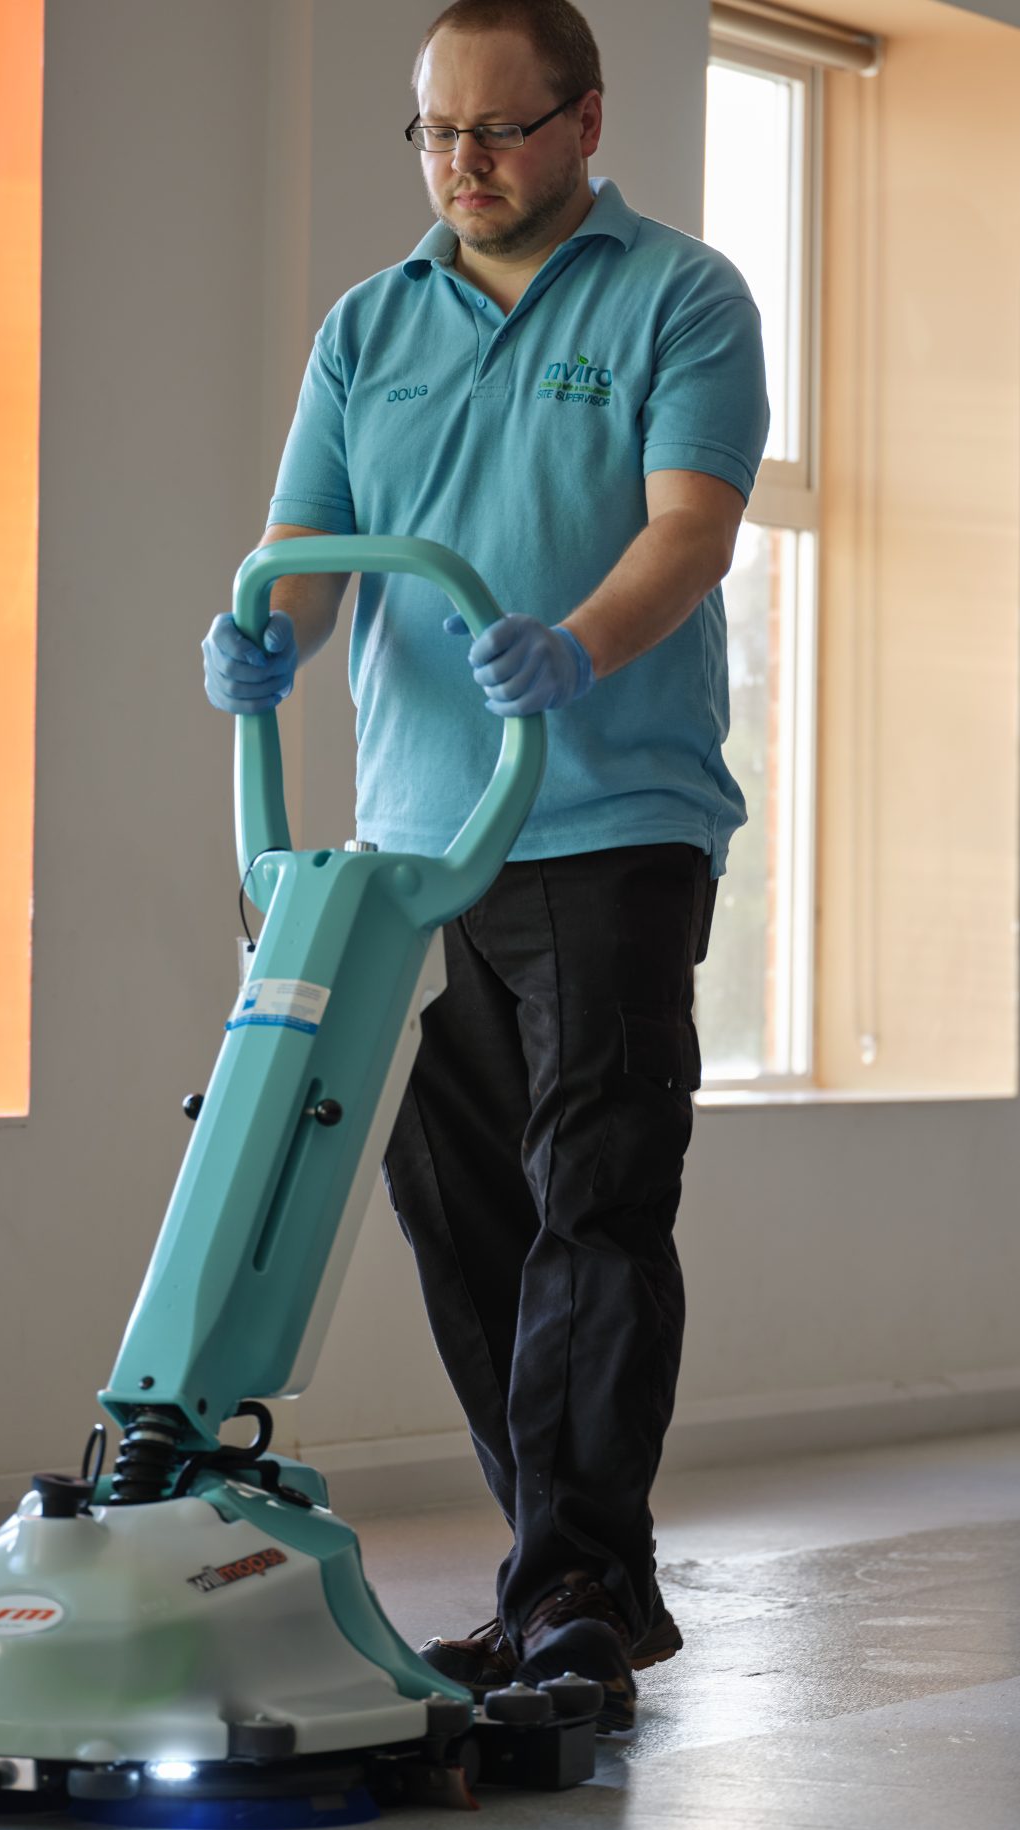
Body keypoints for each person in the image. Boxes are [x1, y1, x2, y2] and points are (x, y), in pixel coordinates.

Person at [198, 0, 766, 1731]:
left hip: (609, 823)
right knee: (459, 1191)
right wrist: (259, 637)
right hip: (419, 849)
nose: (464, 165)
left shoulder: (682, 295)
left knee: (596, 1195)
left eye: (500, 132)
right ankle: (569, 1575)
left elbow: (690, 526)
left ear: (586, 121)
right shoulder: (371, 325)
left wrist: (581, 647)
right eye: (438, 134)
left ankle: (573, 1587)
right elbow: (306, 549)